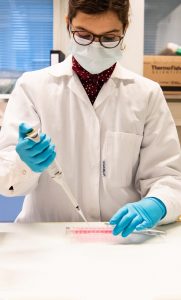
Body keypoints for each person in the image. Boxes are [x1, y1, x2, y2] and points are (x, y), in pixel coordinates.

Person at [0, 0, 181, 238]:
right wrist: (24, 163)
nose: (95, 47)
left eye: (109, 38)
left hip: (122, 239)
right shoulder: (32, 87)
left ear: (124, 30)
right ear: (68, 25)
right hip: (45, 240)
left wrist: (157, 204)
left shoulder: (147, 94)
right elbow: (7, 183)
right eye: (83, 35)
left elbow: (167, 175)